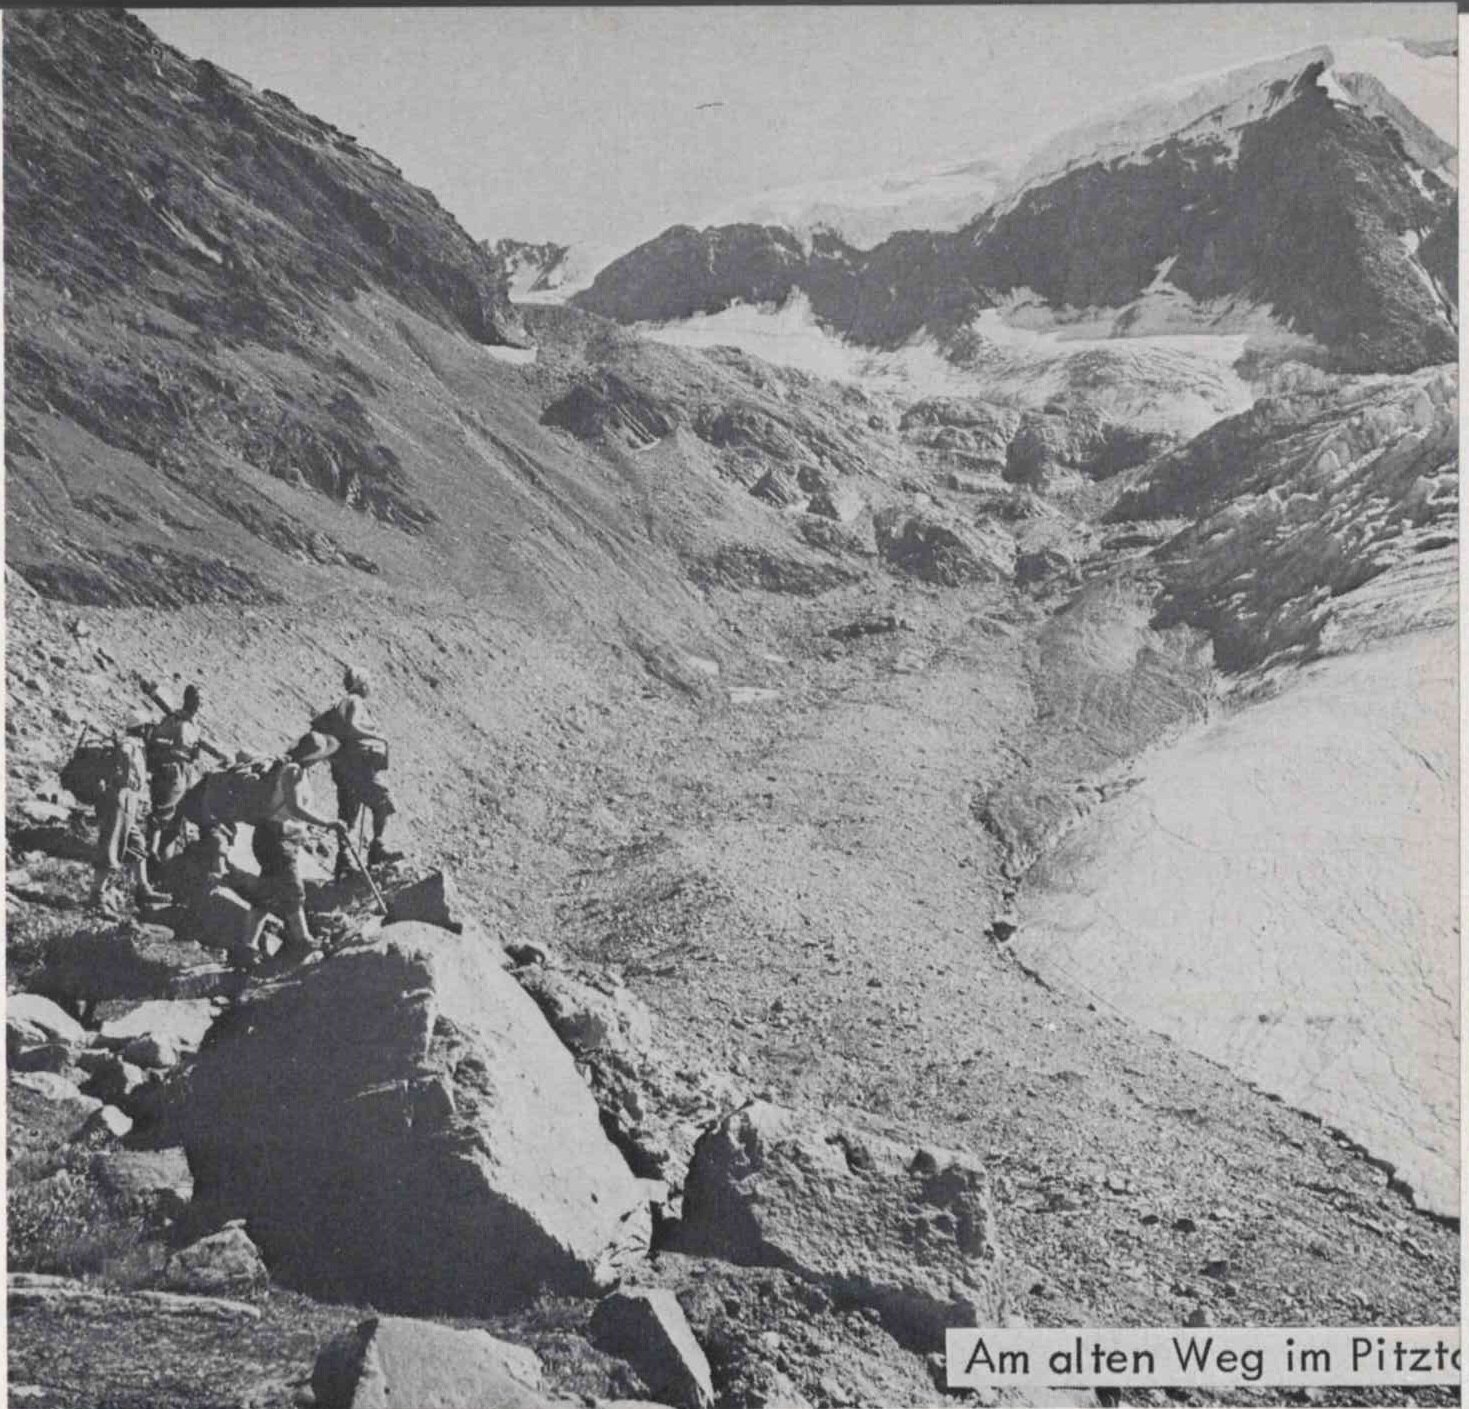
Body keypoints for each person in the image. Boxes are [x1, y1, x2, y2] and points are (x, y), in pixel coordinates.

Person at [249, 731, 346, 956]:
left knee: (265, 895)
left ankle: (248, 944)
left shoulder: (298, 771)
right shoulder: (292, 771)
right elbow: (294, 808)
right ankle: (302, 939)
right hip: (276, 839)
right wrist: (327, 823)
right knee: (293, 890)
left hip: (278, 838)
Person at [314, 666, 403, 878]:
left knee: (348, 815)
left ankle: (344, 861)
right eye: (369, 683)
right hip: (357, 767)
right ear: (362, 684)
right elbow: (352, 729)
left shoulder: (348, 703)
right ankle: (376, 848)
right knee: (384, 801)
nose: (371, 687)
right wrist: (376, 740)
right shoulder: (353, 701)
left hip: (344, 768)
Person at [88, 710, 169, 915]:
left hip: (127, 800)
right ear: (142, 728)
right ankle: (96, 895)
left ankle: (143, 889)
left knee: (137, 844)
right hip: (120, 798)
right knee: (111, 845)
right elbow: (123, 753)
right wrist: (124, 774)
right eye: (148, 727)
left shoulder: (136, 744)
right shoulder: (130, 743)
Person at [146, 683, 203, 861]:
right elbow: (158, 741)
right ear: (188, 700)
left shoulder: (195, 726)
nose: (199, 705)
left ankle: (165, 858)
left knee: (177, 817)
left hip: (186, 771)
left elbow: (194, 751)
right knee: (163, 812)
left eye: (201, 701)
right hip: (172, 770)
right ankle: (150, 853)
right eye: (197, 700)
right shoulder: (173, 719)